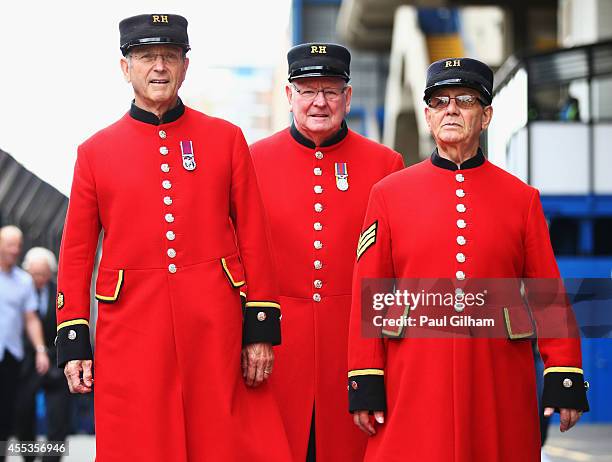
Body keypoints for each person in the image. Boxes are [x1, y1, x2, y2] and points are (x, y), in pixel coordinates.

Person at [55, 14, 291, 461]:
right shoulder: (94, 152)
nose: (158, 66)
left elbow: (255, 238)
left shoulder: (225, 139)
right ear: (126, 68)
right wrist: (73, 340)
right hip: (130, 328)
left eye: (169, 56)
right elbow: (77, 254)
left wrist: (259, 328)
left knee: (224, 441)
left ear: (185, 66)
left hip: (215, 325)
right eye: (146, 57)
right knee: (139, 442)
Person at [347, 58, 589, 461]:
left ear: (487, 115)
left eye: (465, 100)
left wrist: (563, 371)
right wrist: (365, 378)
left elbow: (547, 293)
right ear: (427, 116)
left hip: (497, 374)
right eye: (439, 102)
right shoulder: (388, 195)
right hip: (415, 374)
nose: (451, 110)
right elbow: (369, 294)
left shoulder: (521, 199)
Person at [250, 43, 404, 462]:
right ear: (288, 96)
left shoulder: (385, 165)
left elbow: (391, 271)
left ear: (348, 98)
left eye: (332, 91)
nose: (320, 102)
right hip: (277, 351)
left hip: (353, 350)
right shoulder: (251, 161)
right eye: (307, 90)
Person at [14, 247, 71, 462]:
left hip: (55, 358)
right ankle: (29, 457)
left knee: (59, 416)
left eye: (42, 274)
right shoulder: (19, 292)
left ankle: (51, 459)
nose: (38, 278)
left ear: (50, 274)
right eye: (34, 273)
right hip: (27, 360)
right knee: (23, 411)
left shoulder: (59, 293)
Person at [0, 226, 49, 461]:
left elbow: (31, 318)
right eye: (10, 244)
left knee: (9, 412)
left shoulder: (23, 281)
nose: (15, 250)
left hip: (10, 355)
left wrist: (40, 350)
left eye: (18, 245)